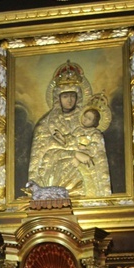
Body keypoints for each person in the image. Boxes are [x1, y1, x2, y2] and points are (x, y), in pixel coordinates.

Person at [28, 60, 111, 198]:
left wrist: (82, 153)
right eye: (65, 96)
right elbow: (42, 156)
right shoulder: (45, 124)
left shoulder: (86, 120)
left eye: (72, 96)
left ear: (78, 97)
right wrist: (74, 154)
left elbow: (96, 150)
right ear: (57, 98)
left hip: (84, 180)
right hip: (55, 178)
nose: (69, 100)